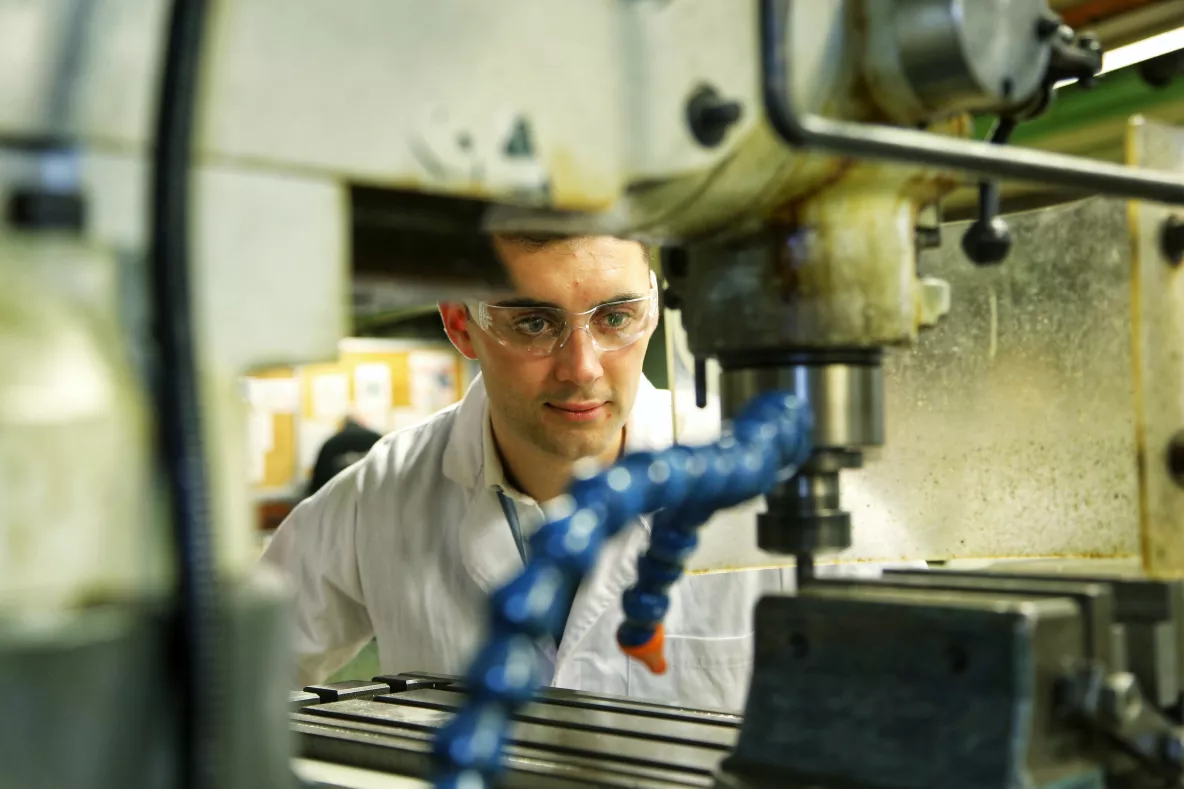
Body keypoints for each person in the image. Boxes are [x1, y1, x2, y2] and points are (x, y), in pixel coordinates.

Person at [261, 234, 893, 711]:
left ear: (654, 305)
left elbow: (925, 700)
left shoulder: (780, 485)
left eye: (616, 317)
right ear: (461, 323)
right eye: (534, 323)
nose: (582, 368)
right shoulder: (382, 495)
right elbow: (217, 682)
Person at [306, 415, 383, 497]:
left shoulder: (331, 443)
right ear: (362, 423)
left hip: (336, 500)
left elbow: (317, 483)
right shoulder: (378, 440)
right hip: (375, 498)